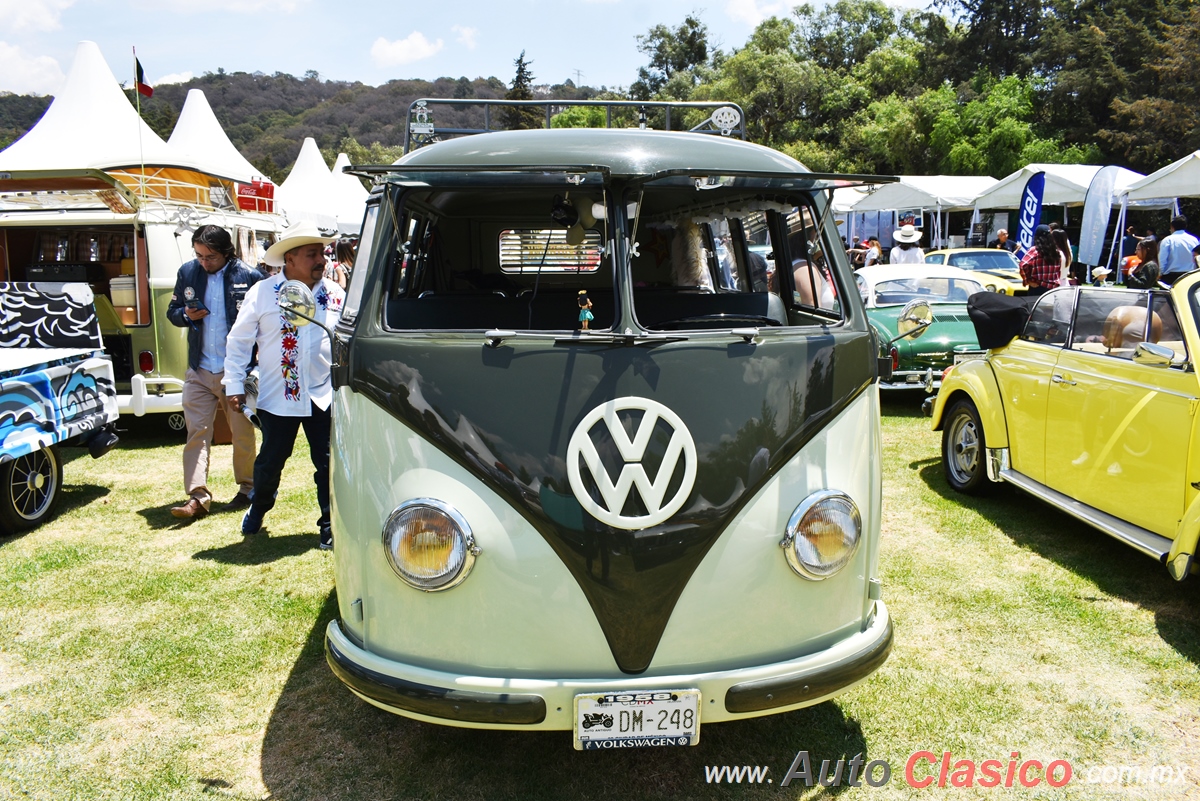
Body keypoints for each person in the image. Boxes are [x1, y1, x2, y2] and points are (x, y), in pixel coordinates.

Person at [223, 223, 345, 549]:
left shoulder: (335, 294)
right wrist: (235, 383)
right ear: (289, 259)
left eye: (322, 253)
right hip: (279, 396)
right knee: (270, 462)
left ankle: (329, 524)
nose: (321, 260)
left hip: (323, 394)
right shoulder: (263, 292)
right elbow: (238, 342)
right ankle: (260, 505)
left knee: (328, 463)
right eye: (312, 254)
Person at [165, 225, 263, 519]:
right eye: (199, 255)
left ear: (226, 253)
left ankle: (248, 489)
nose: (203, 262)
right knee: (196, 433)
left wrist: (256, 367)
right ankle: (197, 496)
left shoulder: (250, 276)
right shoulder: (188, 272)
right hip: (199, 369)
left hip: (235, 372)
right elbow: (173, 312)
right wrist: (185, 314)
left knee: (241, 434)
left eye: (210, 257)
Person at [1019, 224, 1062, 296]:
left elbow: (1023, 265)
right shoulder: (1056, 251)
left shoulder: (1035, 250)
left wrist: (1028, 280)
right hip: (1053, 289)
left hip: (1038, 288)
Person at [1159, 215, 1200, 284]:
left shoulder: (1168, 240)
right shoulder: (1194, 240)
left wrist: (1160, 273)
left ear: (1172, 227)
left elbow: (1162, 259)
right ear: (1185, 226)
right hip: (1189, 275)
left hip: (1171, 276)